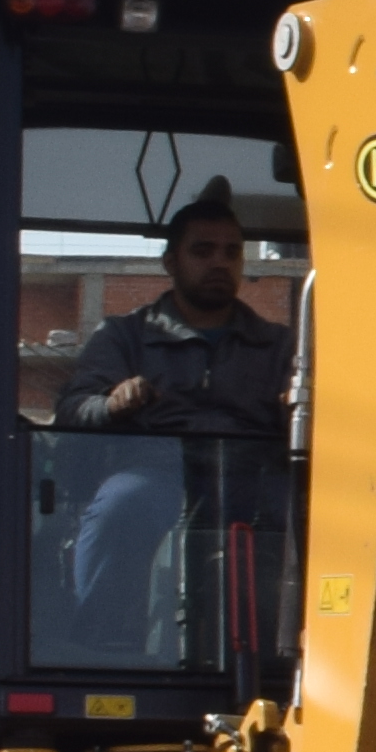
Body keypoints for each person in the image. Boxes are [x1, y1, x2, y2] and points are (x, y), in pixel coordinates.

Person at [53, 182, 291, 657]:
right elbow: (73, 409)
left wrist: (297, 407)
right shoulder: (124, 335)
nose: (220, 263)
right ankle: (104, 649)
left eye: (231, 252)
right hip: (159, 471)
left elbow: (317, 413)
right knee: (123, 504)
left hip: (253, 477)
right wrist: (114, 404)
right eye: (203, 251)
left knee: (308, 518)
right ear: (171, 261)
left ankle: (287, 656)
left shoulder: (280, 344)